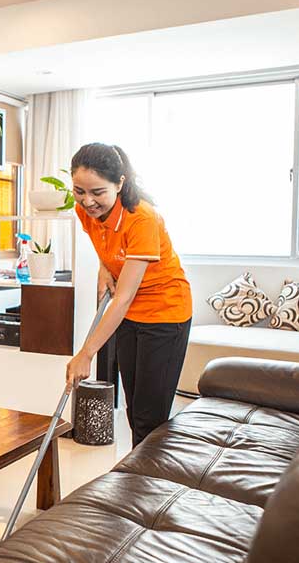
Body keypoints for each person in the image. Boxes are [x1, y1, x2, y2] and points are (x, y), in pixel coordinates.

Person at [65, 143, 192, 448]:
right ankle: (138, 470)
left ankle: (149, 475)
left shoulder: (141, 219)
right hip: (131, 314)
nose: (87, 201)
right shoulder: (85, 211)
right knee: (134, 410)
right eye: (79, 191)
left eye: (97, 192)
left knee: (150, 417)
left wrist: (86, 353)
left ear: (119, 184)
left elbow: (122, 298)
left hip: (165, 313)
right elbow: (105, 243)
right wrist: (103, 267)